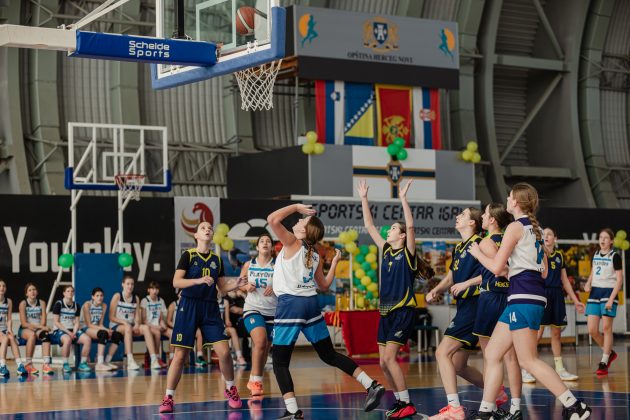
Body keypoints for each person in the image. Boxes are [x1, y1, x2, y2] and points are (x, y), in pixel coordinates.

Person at [468, 182, 591, 420]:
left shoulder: (515, 227)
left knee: (528, 360)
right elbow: (544, 272)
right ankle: (486, 411)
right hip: (528, 296)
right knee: (492, 352)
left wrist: (478, 254)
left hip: (523, 297)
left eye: (509, 197)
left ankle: (575, 406)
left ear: (516, 202)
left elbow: (496, 268)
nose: (507, 199)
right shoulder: (535, 229)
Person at [267, 203, 384, 420]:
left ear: (304, 231)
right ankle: (371, 384)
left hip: (291, 304)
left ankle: (293, 411)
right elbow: (324, 285)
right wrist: (335, 263)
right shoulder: (314, 254)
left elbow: (272, 219)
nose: (298, 220)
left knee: (280, 361)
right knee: (328, 354)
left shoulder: (292, 242)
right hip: (311, 304)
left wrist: (296, 206)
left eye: (301, 220)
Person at [358, 179, 432, 418]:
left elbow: (410, 226)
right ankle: (400, 401)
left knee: (390, 358)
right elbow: (369, 225)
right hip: (386, 312)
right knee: (382, 362)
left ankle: (407, 403)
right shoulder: (386, 250)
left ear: (401, 236)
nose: (387, 231)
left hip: (403, 310)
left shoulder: (408, 254)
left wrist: (403, 198)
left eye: (392, 228)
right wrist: (364, 198)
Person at [159, 222, 248, 414]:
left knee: (224, 352)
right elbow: (176, 282)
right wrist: (198, 280)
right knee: (180, 355)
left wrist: (236, 284)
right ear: (196, 235)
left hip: (210, 308)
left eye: (210, 228)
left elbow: (221, 288)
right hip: (188, 306)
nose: (207, 229)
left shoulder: (217, 259)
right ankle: (168, 397)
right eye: (203, 228)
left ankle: (231, 388)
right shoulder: (188, 256)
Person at [426, 207, 503, 420]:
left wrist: (467, 283)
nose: (457, 216)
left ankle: (454, 409)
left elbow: (494, 270)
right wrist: (436, 289)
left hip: (475, 304)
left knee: (442, 353)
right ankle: (496, 391)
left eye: (463, 215)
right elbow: (452, 276)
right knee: (459, 366)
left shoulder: (481, 243)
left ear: (472, 223)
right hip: (464, 306)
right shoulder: (460, 247)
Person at [471, 203, 523, 418]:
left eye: (485, 214)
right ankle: (516, 407)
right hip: (510, 297)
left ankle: (490, 407)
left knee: (490, 357)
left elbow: (500, 269)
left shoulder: (486, 242)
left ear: (492, 219)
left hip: (492, 298)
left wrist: (477, 253)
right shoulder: (511, 239)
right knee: (511, 357)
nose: (482, 217)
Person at [521, 227, 586, 384]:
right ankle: (527, 368)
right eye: (544, 234)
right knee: (537, 334)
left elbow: (565, 281)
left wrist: (576, 300)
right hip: (542, 294)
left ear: (555, 238)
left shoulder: (559, 256)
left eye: (549, 234)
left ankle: (560, 369)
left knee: (556, 334)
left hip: (557, 295)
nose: (546, 236)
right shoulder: (537, 253)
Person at [239, 233, 277, 397]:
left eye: (268, 241)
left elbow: (286, 286)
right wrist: (246, 287)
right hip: (252, 308)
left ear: (272, 247)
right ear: (257, 247)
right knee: (260, 342)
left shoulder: (278, 266)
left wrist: (275, 288)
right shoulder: (249, 265)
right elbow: (239, 284)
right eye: (262, 241)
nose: (265, 243)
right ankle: (256, 381)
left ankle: (253, 378)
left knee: (264, 349)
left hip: (273, 312)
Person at [584, 228, 623, 376]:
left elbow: (619, 280)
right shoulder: (595, 254)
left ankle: (604, 361)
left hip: (608, 292)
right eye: (601, 237)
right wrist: (588, 282)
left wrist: (612, 299)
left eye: (606, 238)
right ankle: (609, 352)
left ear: (611, 241)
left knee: (606, 328)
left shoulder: (615, 256)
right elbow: (593, 271)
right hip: (595, 292)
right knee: (592, 330)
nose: (602, 240)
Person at [108, 275, 158, 370]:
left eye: (132, 284)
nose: (130, 286)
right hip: (117, 325)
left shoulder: (136, 298)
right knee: (128, 328)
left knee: (146, 328)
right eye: (128, 284)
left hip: (130, 326)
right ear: (123, 284)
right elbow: (111, 317)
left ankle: (154, 359)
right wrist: (124, 323)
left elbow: (137, 317)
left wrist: (137, 324)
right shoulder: (117, 296)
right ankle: (130, 361)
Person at [51, 285, 93, 372]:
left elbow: (77, 322)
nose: (70, 293)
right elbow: (56, 322)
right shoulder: (59, 304)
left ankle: (83, 364)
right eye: (68, 291)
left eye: (72, 291)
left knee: (87, 339)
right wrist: (69, 333)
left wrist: (74, 332)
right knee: (67, 339)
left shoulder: (76, 305)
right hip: (60, 330)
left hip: (72, 330)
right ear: (64, 293)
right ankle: (65, 364)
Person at [18, 283, 53, 375]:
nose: (32, 292)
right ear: (26, 294)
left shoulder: (42, 303)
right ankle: (28, 364)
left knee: (45, 334)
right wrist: (41, 327)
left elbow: (43, 322)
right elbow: (24, 324)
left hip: (38, 328)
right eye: (30, 290)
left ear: (37, 292)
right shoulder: (23, 304)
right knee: (32, 335)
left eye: (34, 289)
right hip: (25, 329)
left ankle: (46, 364)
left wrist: (41, 327)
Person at [81, 287, 119, 371]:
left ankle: (106, 361)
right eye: (97, 296)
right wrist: (105, 330)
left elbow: (100, 324)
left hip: (96, 328)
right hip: (85, 328)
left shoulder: (104, 306)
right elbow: (88, 324)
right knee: (103, 333)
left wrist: (107, 329)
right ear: (92, 297)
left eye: (101, 295)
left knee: (117, 335)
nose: (99, 297)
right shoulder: (87, 304)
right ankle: (99, 364)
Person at [141, 281, 169, 369]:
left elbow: (161, 318)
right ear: (148, 290)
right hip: (149, 326)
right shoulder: (145, 301)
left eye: (156, 289)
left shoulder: (161, 300)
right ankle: (157, 358)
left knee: (172, 333)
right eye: (152, 289)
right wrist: (156, 327)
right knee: (157, 333)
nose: (155, 291)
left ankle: (172, 358)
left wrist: (163, 324)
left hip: (158, 326)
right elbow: (144, 320)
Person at [0, 280, 25, 378]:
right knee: (5, 338)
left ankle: (20, 365)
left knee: (11, 337)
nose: (2, 287)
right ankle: (2, 366)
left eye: (4, 286)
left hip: (4, 329)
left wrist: (9, 329)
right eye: (0, 286)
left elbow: (9, 318)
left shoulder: (8, 301)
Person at [224, 291, 248, 367]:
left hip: (233, 326)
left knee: (233, 330)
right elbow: (235, 310)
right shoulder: (225, 299)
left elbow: (228, 321)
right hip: (217, 327)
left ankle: (239, 356)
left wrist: (243, 295)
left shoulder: (229, 300)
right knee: (233, 330)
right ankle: (232, 356)